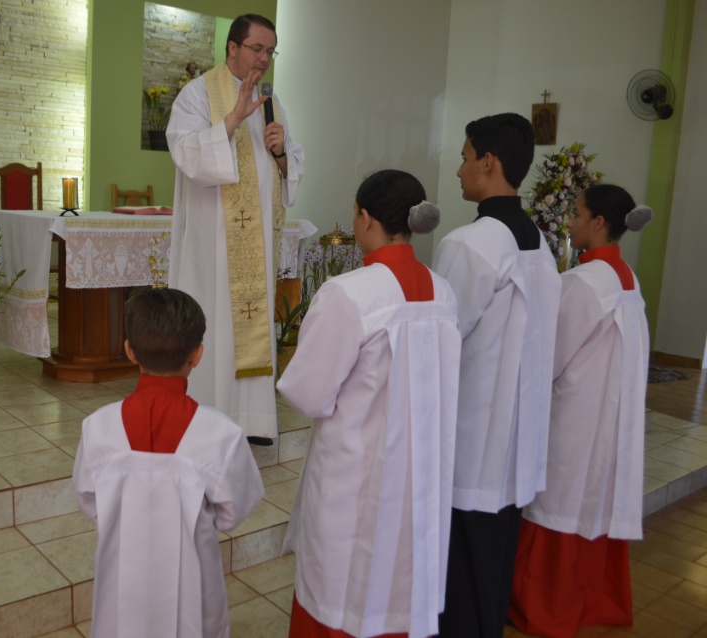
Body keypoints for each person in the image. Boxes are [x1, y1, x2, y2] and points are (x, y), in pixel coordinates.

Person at [278, 170, 461, 638]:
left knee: (342, 584)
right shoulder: (444, 293)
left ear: (364, 218)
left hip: (355, 473)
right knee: (400, 575)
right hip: (418, 474)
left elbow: (307, 392)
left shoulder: (349, 292)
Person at [433, 113, 562, 638]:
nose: (460, 170)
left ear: (488, 163)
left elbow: (443, 334)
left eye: (465, 158)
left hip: (473, 431)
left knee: (461, 567)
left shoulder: (471, 242)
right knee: (494, 559)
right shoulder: (538, 240)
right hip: (517, 433)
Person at [72, 288, 264, 638]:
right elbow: (232, 513)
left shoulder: (98, 427)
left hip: (121, 584)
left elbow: (88, 502)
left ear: (129, 350)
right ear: (197, 355)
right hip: (195, 583)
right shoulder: (221, 434)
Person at [509, 185, 652, 637]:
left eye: (577, 213)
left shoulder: (584, 283)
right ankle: (595, 599)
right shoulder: (626, 277)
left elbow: (551, 356)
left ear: (598, 224)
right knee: (592, 503)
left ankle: (544, 608)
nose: (569, 221)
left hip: (574, 415)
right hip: (608, 416)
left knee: (559, 502)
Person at [166, 13, 305, 444]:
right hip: (212, 243)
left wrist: (282, 155)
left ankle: (252, 419)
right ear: (232, 47)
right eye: (256, 49)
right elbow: (186, 153)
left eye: (270, 51)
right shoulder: (197, 94)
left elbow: (289, 164)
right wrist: (231, 120)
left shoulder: (271, 100)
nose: (264, 59)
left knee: (250, 321)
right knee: (211, 319)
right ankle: (207, 415)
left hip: (254, 243)